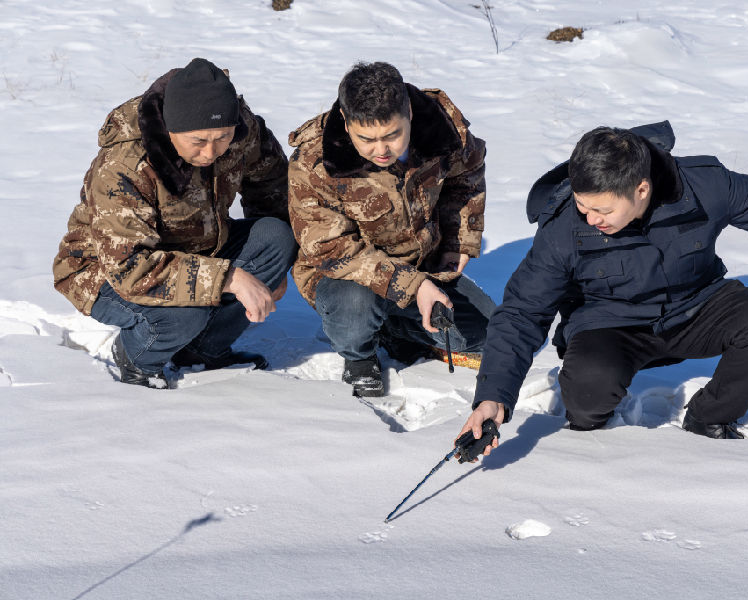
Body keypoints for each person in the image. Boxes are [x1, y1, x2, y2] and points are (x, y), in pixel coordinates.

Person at [459, 121, 748, 448]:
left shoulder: (701, 186)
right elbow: (522, 313)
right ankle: (596, 434)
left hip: (695, 306)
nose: (591, 218)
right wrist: (494, 397)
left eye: (603, 210)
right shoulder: (564, 227)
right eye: (584, 206)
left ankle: (710, 417)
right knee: (588, 394)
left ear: (641, 189)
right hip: (609, 325)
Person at [52, 58, 296, 389]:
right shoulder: (125, 164)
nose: (211, 151)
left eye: (222, 138)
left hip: (197, 245)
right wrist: (229, 278)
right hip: (104, 269)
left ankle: (202, 351)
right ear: (171, 128)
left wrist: (276, 268)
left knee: (275, 237)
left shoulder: (238, 127)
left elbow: (272, 187)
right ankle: (138, 355)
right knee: (184, 312)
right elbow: (128, 267)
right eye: (198, 141)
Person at [287, 61, 495, 397]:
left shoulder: (442, 125)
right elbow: (331, 250)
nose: (381, 150)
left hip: (422, 265)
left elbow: (467, 175)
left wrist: (460, 240)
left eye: (392, 135)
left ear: (409, 112)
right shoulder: (315, 162)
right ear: (345, 120)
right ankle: (359, 356)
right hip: (346, 277)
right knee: (355, 311)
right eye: (366, 139)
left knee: (485, 336)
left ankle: (395, 327)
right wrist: (414, 288)